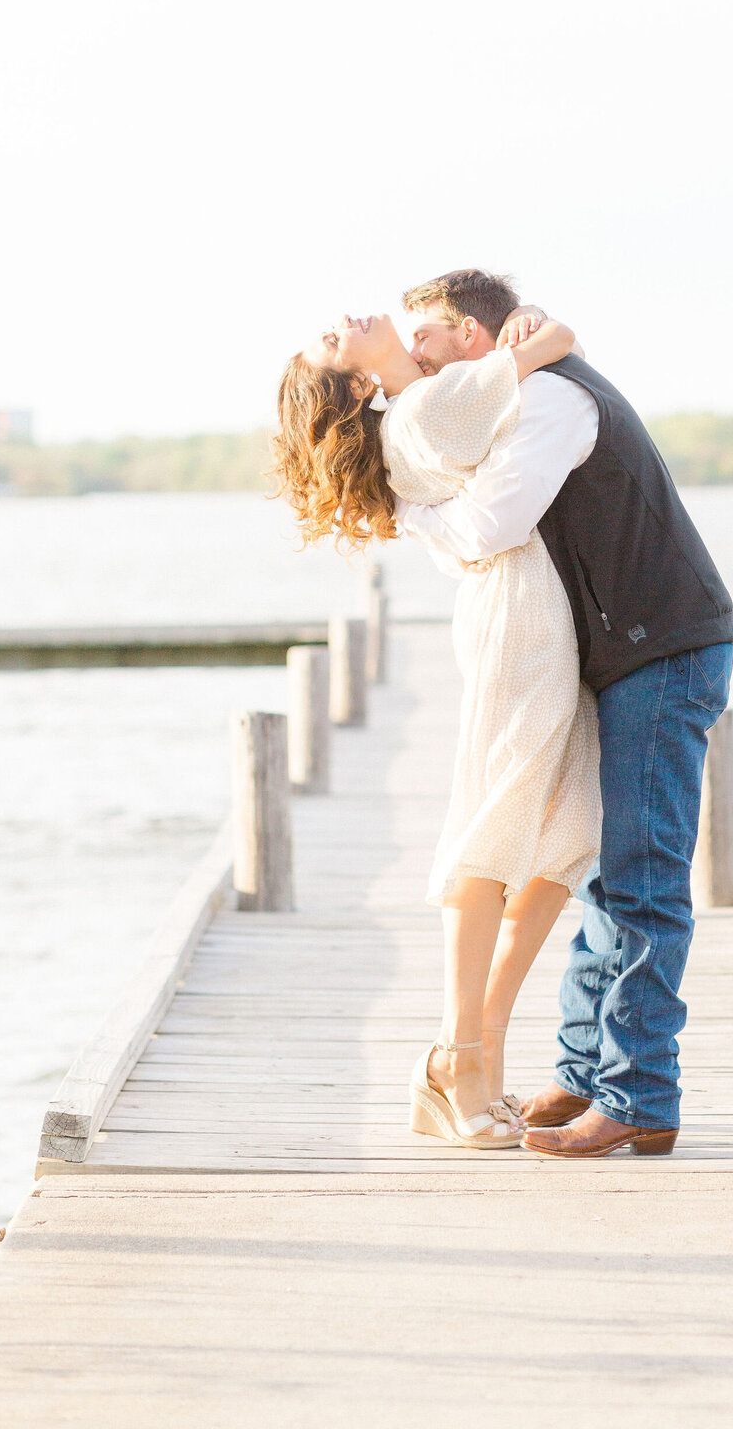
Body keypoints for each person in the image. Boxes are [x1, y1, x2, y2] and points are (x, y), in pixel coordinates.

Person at [398, 269, 733, 1158]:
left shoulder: (550, 400)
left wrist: (413, 509)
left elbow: (492, 526)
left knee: (642, 878)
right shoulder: (523, 393)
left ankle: (639, 1096)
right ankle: (589, 1073)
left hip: (662, 649)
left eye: (427, 333)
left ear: (473, 336)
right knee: (604, 874)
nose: (414, 351)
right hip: (631, 651)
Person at [271, 304, 601, 1150]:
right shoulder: (426, 407)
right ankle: (459, 1059)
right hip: (519, 621)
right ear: (357, 384)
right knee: (497, 831)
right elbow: (559, 343)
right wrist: (529, 326)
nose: (343, 319)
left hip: (539, 612)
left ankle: (478, 1048)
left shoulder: (419, 413)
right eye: (333, 341)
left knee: (565, 833)